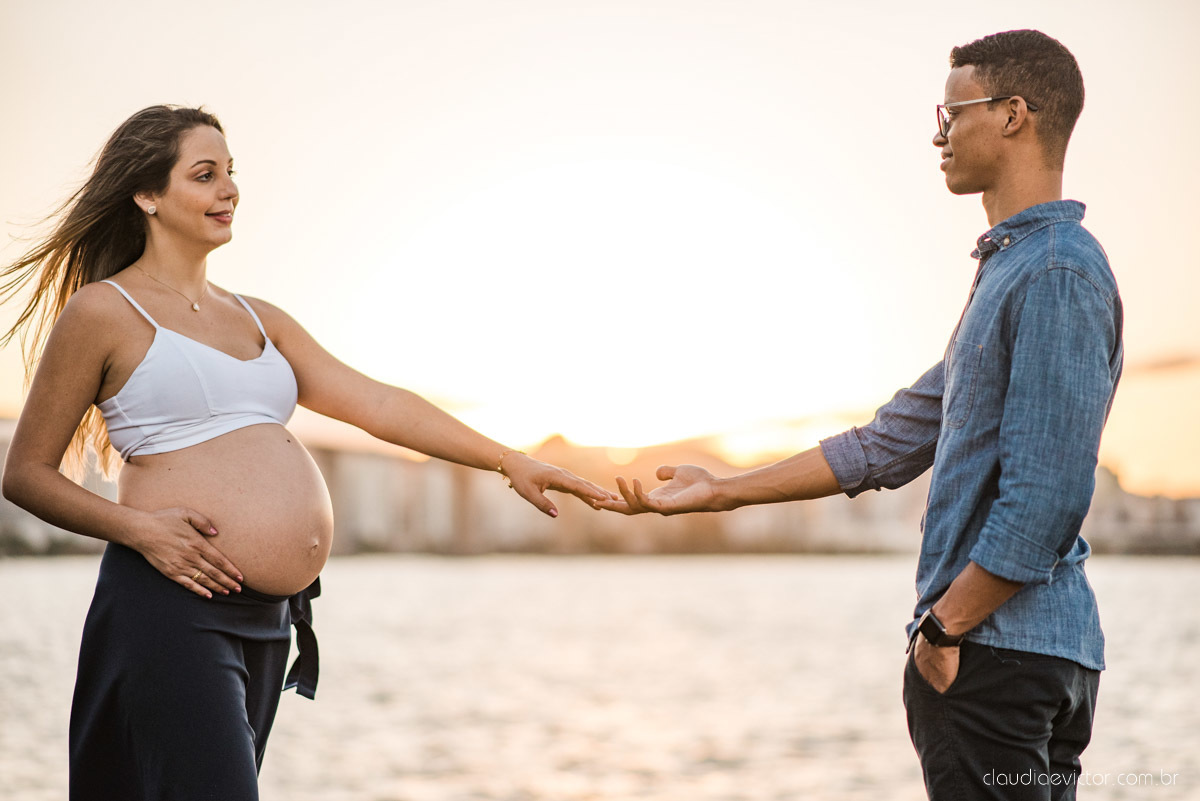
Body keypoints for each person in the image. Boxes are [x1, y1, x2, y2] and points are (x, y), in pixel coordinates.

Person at [0, 104, 613, 799]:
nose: (229, 190)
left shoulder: (261, 317)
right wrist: (140, 528)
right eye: (205, 175)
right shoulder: (104, 312)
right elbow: (26, 474)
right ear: (147, 194)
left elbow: (380, 404)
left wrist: (512, 460)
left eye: (232, 174)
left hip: (267, 619)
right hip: (172, 603)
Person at [597, 29, 1121, 801]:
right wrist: (724, 488)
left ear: (1014, 115)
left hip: (999, 657)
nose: (937, 133)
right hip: (1018, 656)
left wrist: (943, 630)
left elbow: (1047, 497)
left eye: (953, 114)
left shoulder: (1054, 271)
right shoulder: (1014, 271)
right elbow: (888, 441)